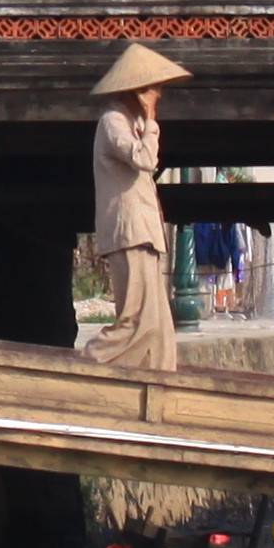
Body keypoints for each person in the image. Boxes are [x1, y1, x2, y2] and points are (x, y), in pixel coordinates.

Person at [86, 43, 187, 372]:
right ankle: (90, 363)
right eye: (152, 89)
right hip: (129, 229)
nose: (157, 95)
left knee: (158, 325)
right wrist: (152, 120)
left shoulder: (131, 121)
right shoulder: (113, 120)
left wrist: (146, 121)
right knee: (135, 319)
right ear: (137, 90)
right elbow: (144, 159)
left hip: (144, 230)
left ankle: (160, 381)